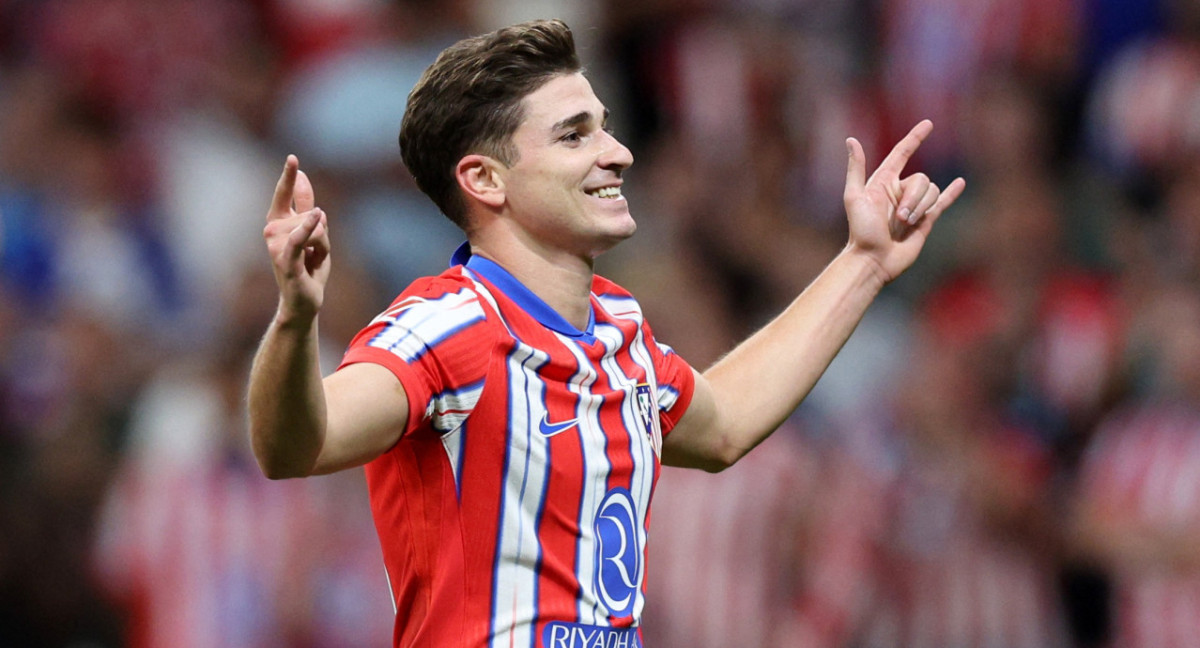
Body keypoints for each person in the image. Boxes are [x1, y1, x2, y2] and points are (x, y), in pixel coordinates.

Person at [247, 18, 964, 648]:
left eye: (606, 126)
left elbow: (725, 426)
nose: (618, 153)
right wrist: (295, 319)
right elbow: (293, 447)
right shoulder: (443, 328)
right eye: (574, 135)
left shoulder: (621, 332)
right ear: (486, 180)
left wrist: (864, 264)